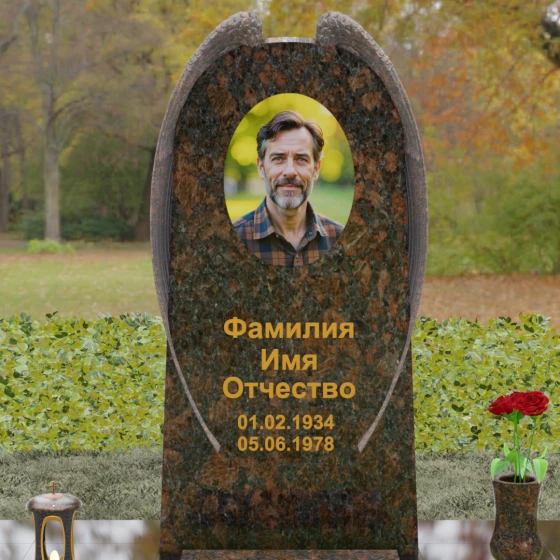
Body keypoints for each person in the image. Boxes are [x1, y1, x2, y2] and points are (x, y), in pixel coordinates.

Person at [233, 110, 343, 267]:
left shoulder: (340, 239)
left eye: (301, 159)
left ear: (316, 169)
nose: (290, 171)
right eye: (278, 158)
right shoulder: (233, 238)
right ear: (261, 167)